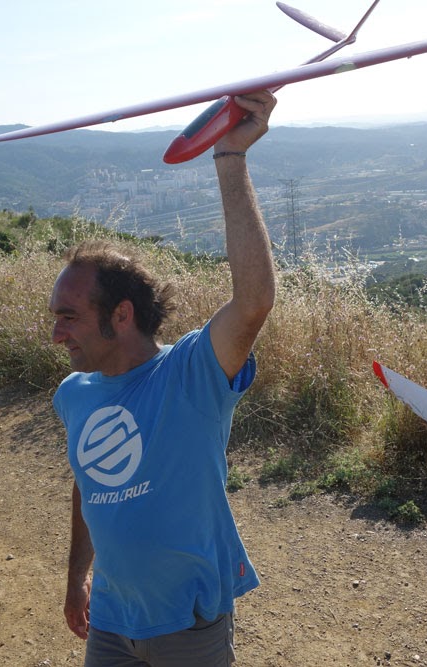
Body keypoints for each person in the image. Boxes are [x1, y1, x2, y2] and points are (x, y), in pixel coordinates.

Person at [49, 90, 278, 666]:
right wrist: (77, 577)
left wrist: (230, 158)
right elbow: (88, 482)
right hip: (110, 617)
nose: (56, 334)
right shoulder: (73, 395)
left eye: (69, 317)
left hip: (188, 625)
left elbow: (252, 302)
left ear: (121, 315)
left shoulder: (191, 373)